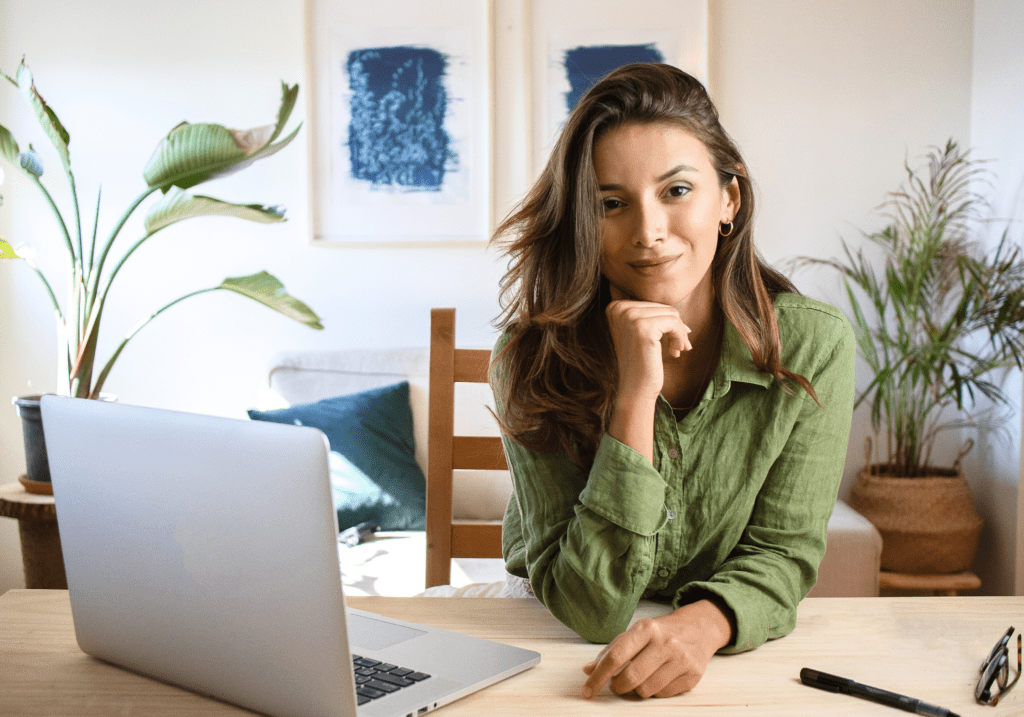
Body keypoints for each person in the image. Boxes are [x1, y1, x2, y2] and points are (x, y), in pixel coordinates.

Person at [488, 63, 856, 700]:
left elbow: (783, 554)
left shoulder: (812, 345)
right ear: (582, 219)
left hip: (727, 656)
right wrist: (634, 394)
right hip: (555, 651)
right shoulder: (530, 359)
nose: (649, 232)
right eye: (611, 203)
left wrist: (703, 625)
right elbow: (590, 609)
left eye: (676, 191)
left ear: (729, 201)